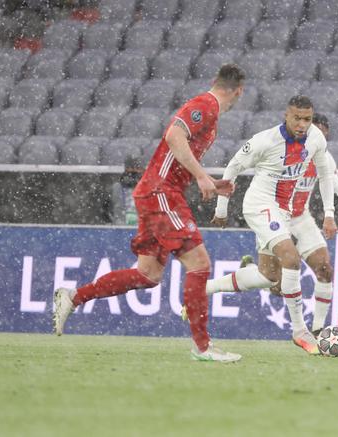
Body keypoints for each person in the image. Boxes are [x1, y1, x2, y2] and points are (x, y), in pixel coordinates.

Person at [53, 64, 246, 363]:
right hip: (160, 191)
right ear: (239, 91)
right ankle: (203, 346)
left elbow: (178, 153)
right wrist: (201, 177)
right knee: (199, 264)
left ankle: (74, 297)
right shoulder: (205, 105)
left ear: (215, 80)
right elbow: (174, 136)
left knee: (148, 274)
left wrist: (207, 179)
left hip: (156, 191)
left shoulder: (210, 111)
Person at [210, 96, 337, 355]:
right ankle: (300, 331)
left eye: (307, 119)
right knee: (290, 259)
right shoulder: (265, 140)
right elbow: (233, 167)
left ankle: (206, 288)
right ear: (286, 116)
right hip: (258, 204)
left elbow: (325, 175)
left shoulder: (315, 139)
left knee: (269, 277)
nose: (302, 124)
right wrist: (221, 209)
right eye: (297, 118)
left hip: (285, 211)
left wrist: (329, 213)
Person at [109, 156, 144, 225]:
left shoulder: (148, 188)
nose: (134, 170)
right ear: (126, 169)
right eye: (130, 168)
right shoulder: (116, 187)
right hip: (120, 229)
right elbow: (107, 208)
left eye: (137, 168)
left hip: (142, 230)